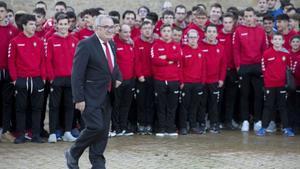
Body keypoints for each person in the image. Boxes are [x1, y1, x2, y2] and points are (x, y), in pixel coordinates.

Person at [65, 15, 122, 169]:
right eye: (106, 27)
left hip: (108, 96)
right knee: (96, 127)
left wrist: (118, 77)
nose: (111, 30)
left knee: (103, 132)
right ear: (97, 29)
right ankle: (73, 152)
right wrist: (79, 98)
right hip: (90, 97)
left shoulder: (112, 44)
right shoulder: (86, 45)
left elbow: (114, 66)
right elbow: (77, 74)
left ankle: (97, 162)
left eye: (112, 27)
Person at [8, 14, 46, 144]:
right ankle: (21, 135)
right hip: (21, 80)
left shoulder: (40, 41)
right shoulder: (15, 41)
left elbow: (43, 60)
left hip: (37, 79)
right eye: (31, 24)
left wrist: (43, 78)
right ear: (23, 26)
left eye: (34, 24)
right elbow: (11, 61)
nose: (34, 27)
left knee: (37, 108)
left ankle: (35, 135)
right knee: (20, 108)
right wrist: (14, 79)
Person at [233, 7, 268, 132]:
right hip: (244, 66)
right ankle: (245, 121)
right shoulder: (239, 30)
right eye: (246, 16)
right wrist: (238, 66)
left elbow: (265, 50)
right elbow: (236, 50)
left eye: (250, 16)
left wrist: (263, 67)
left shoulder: (261, 31)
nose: (248, 19)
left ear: (254, 17)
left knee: (258, 95)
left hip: (258, 66)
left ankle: (258, 120)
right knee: (244, 95)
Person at [46, 13, 78, 143]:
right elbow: (48, 60)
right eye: (61, 24)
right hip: (57, 79)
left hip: (71, 79)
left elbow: (78, 61)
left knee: (69, 106)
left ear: (69, 25)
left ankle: (67, 132)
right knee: (54, 106)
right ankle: (53, 133)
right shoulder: (51, 41)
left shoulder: (75, 40)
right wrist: (52, 77)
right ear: (56, 25)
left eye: (66, 24)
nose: (63, 27)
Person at [257, 33, 295, 137]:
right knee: (268, 106)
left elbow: (289, 69)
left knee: (283, 106)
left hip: (282, 85)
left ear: (283, 41)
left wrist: (286, 83)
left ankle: (286, 128)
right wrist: (267, 81)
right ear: (272, 41)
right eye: (275, 39)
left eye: (279, 39)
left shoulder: (287, 54)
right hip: (269, 85)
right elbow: (263, 68)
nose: (277, 41)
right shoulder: (266, 53)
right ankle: (263, 128)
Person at [151, 24, 181, 137]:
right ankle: (161, 128)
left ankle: (170, 128)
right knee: (160, 105)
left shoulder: (176, 45)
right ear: (161, 32)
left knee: (172, 105)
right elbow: (155, 60)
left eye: (169, 31)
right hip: (160, 80)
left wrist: (166, 56)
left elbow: (178, 57)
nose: (167, 33)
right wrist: (169, 61)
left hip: (174, 80)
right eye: (165, 31)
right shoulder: (155, 45)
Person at [200, 24, 226, 134]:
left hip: (215, 81)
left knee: (214, 103)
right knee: (202, 103)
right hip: (202, 81)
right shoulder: (200, 45)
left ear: (216, 34)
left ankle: (214, 124)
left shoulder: (220, 47)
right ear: (205, 33)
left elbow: (223, 65)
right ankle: (201, 123)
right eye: (209, 31)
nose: (211, 34)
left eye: (213, 32)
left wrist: (221, 79)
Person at [179, 29, 206, 135]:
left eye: (195, 37)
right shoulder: (183, 50)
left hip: (198, 83)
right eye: (191, 37)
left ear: (198, 38)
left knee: (194, 106)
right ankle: (183, 127)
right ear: (187, 38)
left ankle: (193, 126)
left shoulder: (201, 51)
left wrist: (202, 81)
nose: (193, 39)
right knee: (184, 106)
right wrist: (181, 82)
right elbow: (180, 68)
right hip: (186, 83)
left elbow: (203, 68)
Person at [111, 24, 135, 136]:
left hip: (130, 80)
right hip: (118, 80)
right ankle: (116, 128)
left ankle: (123, 127)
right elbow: (113, 64)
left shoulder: (130, 45)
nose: (127, 34)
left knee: (126, 105)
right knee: (116, 104)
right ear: (119, 32)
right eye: (125, 32)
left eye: (129, 32)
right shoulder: (114, 44)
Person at [0, 1, 19, 142]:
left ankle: (6, 130)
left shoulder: (13, 30)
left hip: (8, 71)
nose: (0, 14)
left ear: (6, 12)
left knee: (7, 102)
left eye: (2, 11)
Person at [218, 12, 239, 130]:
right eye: (225, 22)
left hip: (233, 71)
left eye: (229, 22)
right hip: (219, 71)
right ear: (222, 23)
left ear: (233, 23)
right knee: (219, 97)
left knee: (231, 98)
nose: (227, 25)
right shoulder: (217, 35)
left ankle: (228, 121)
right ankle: (218, 121)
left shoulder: (236, 35)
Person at [134, 21, 155, 135]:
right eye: (145, 28)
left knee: (151, 102)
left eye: (149, 28)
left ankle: (149, 124)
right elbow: (136, 60)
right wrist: (139, 74)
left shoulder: (155, 42)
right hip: (141, 78)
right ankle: (141, 124)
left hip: (153, 77)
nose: (147, 30)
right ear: (141, 30)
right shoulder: (137, 42)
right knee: (141, 102)